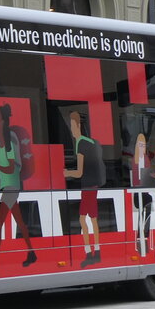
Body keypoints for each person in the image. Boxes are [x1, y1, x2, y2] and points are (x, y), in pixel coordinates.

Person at [0, 104, 36, 275]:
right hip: (8, 185)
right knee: (20, 222)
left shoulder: (9, 141)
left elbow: (12, 168)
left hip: (11, 186)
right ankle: (31, 253)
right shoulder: (1, 141)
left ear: (3, 121)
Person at [64, 110, 105, 267]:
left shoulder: (80, 143)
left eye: (72, 125)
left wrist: (66, 173)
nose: (71, 129)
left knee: (83, 219)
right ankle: (97, 253)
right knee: (93, 219)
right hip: (93, 185)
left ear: (78, 125)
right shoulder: (90, 141)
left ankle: (91, 253)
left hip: (88, 186)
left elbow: (79, 172)